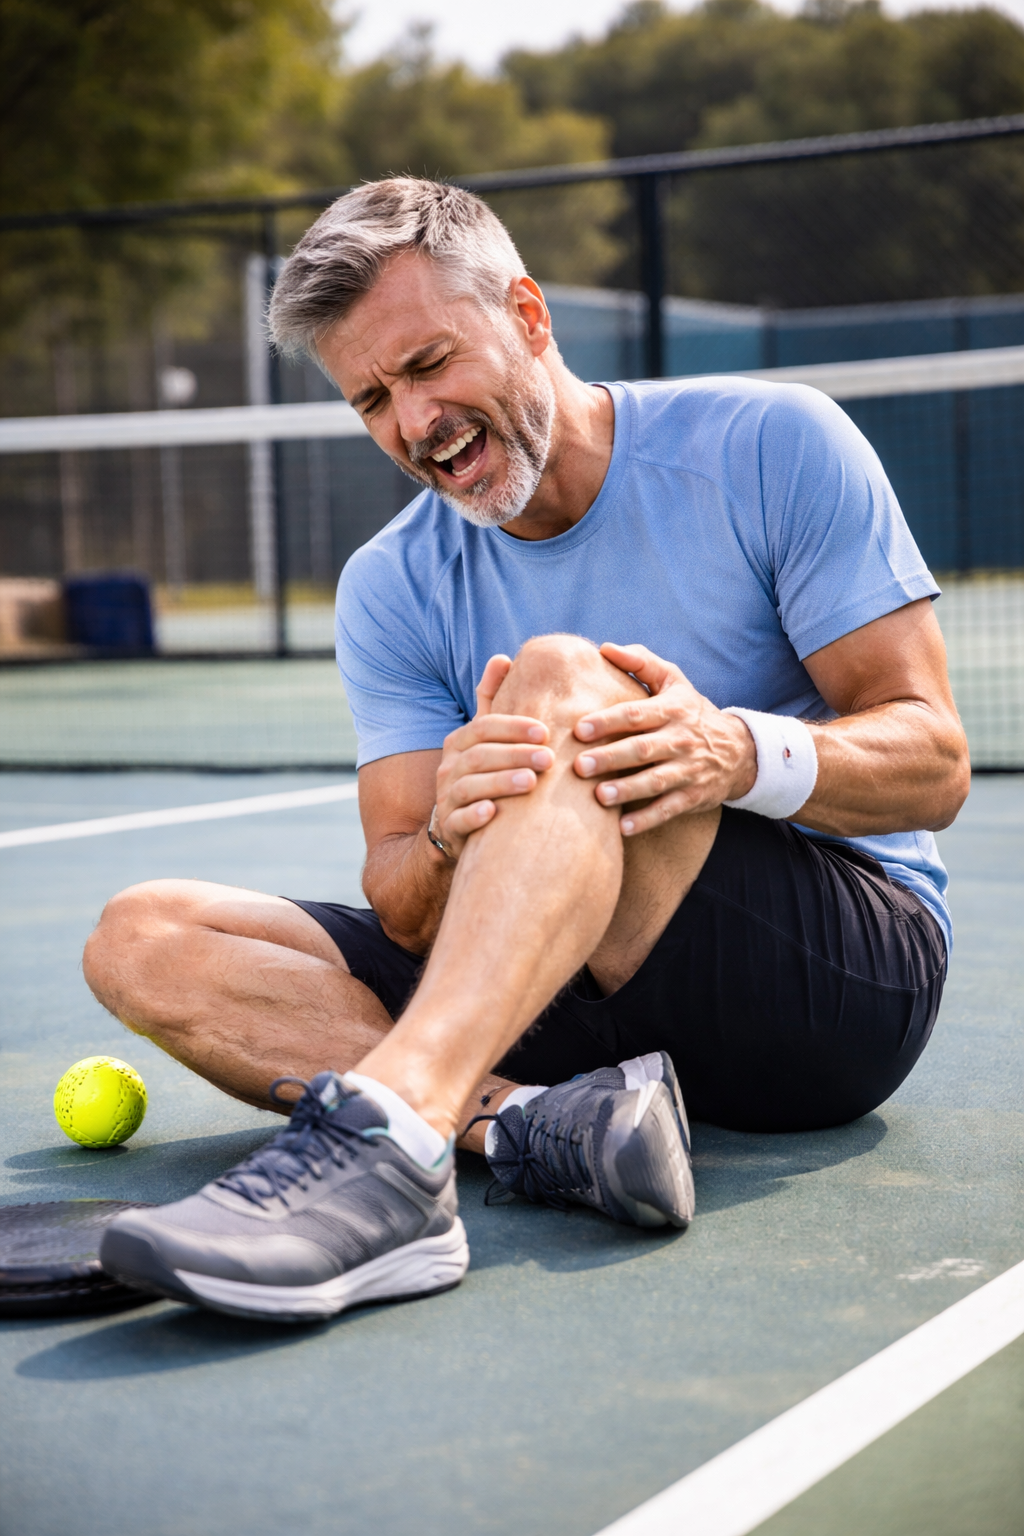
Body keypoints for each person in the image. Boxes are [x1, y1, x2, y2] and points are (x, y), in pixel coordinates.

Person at [91, 179, 969, 1323]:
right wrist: (453, 835)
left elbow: (935, 762)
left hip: (829, 990)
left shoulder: (771, 442)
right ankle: (523, 1121)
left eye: (426, 366)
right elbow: (405, 907)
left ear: (529, 315)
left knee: (559, 673)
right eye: (369, 400)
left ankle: (392, 1149)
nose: (413, 426)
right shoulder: (390, 584)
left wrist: (734, 752)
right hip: (555, 998)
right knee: (143, 936)